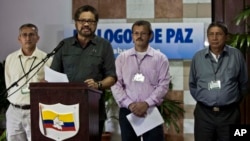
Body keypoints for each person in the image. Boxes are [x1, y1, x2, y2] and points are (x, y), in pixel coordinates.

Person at [50, 5, 117, 140]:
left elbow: (112, 77)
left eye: (91, 21)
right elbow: (53, 75)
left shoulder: (104, 45)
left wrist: (97, 85)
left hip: (93, 110)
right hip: (65, 109)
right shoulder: (64, 45)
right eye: (82, 20)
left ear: (96, 24)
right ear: (76, 23)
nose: (86, 24)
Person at [111, 20, 171, 141]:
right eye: (136, 33)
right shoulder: (122, 58)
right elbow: (116, 84)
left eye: (143, 33)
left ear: (150, 35)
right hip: (128, 111)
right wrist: (130, 104)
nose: (139, 36)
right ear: (132, 36)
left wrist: (146, 103)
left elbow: (163, 85)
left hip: (151, 110)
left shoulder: (160, 58)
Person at [189, 22, 248, 141]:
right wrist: (206, 99)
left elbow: (244, 83)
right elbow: (193, 84)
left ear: (226, 37)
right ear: (207, 37)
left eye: (218, 34)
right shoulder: (198, 57)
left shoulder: (236, 55)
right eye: (211, 34)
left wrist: (232, 99)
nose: (214, 38)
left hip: (230, 114)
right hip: (204, 115)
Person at [4, 23, 52, 141]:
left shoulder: (46, 59)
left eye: (31, 35)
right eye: (24, 35)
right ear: (19, 38)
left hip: (36, 110)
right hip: (14, 111)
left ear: (38, 38)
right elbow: (8, 82)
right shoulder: (11, 58)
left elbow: (51, 86)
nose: (28, 38)